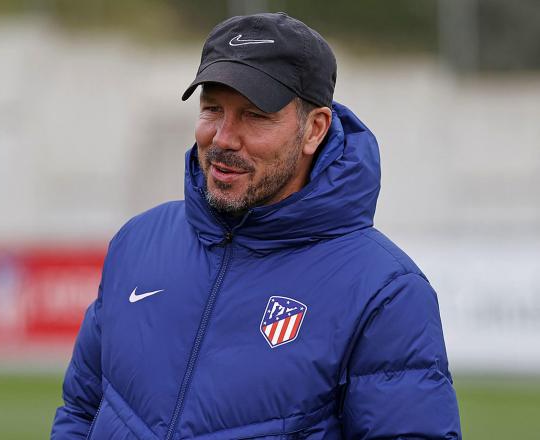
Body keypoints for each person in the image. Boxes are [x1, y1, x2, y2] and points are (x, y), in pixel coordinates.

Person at [51, 12, 462, 439]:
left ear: (314, 130)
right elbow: (81, 411)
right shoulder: (137, 242)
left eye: (254, 115)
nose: (224, 137)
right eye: (212, 109)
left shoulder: (385, 290)